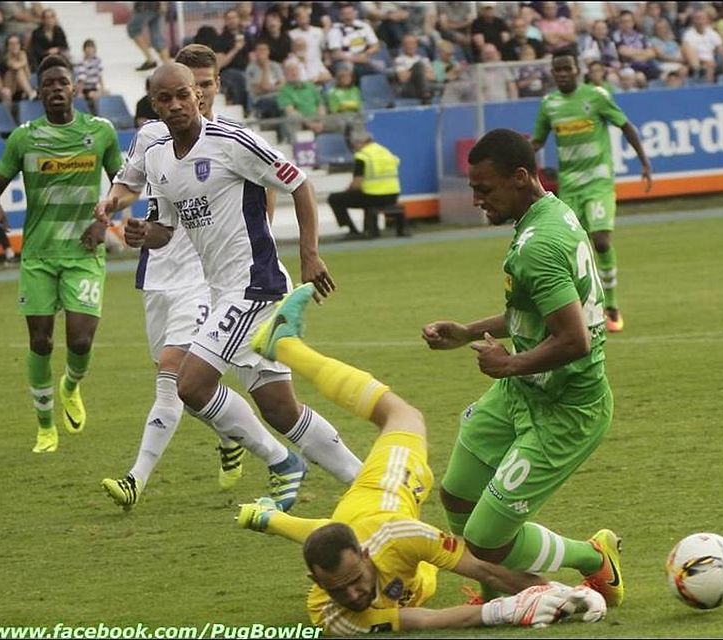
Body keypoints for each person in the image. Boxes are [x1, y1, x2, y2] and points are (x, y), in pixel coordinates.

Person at [237, 283, 610, 634]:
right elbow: (427, 620)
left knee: (402, 417)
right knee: (397, 545)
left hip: (385, 491)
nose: (352, 595)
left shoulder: (398, 538)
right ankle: (268, 515)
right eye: (339, 589)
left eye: (354, 581)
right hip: (377, 537)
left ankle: (285, 345)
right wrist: (509, 610)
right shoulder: (331, 615)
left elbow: (486, 570)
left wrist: (554, 592)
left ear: (366, 557)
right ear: (317, 584)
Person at [96, 50, 362, 510]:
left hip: (254, 287)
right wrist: (143, 234)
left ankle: (283, 464)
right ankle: (365, 481)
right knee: (281, 409)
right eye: (166, 98)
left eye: (184, 94)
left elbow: (299, 183)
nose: (177, 104)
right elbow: (165, 231)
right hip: (223, 290)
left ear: (199, 95)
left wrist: (310, 255)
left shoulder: (232, 141)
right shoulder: (158, 156)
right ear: (154, 105)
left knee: (190, 384)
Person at [421, 129, 626, 609]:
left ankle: (594, 558)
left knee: (487, 537)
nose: (475, 199)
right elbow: (534, 313)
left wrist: (508, 363)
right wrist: (470, 332)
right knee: (457, 495)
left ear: (519, 177)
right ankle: (497, 591)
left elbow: (573, 339)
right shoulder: (550, 212)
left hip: (566, 408)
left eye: (484, 189)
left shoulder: (538, 245)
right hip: (523, 392)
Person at [0, 54, 123, 454]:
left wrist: (105, 221)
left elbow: (123, 184)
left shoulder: (100, 132)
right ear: (39, 92)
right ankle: (45, 427)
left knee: (79, 340)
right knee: (41, 342)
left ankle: (71, 385)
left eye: (63, 82)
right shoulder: (23, 138)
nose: (57, 89)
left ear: (74, 88)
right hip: (39, 255)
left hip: (83, 251)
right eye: (49, 84)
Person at [532, 50, 652, 333]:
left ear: (578, 70)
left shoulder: (596, 96)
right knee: (572, 250)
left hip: (598, 183)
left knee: (600, 241)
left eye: (566, 68)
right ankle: (581, 309)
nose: (561, 73)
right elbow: (537, 141)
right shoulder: (549, 105)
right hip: (569, 187)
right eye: (557, 69)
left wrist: (644, 162)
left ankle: (612, 306)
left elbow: (625, 126)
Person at [327, 129, 401, 239]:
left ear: (359, 142)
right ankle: (369, 229)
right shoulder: (385, 152)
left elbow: (357, 184)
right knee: (363, 197)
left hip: (373, 195)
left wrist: (347, 190)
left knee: (334, 199)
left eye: (354, 144)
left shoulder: (362, 156)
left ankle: (352, 230)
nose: (354, 147)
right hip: (393, 195)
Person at [680, 10, 723, 83]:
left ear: (707, 20)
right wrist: (706, 62)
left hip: (713, 62)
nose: (700, 21)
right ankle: (709, 91)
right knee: (709, 67)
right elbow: (688, 54)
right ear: (693, 21)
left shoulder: (712, 33)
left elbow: (722, 49)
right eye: (697, 18)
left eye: (702, 18)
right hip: (698, 65)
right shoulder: (688, 35)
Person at [128, 1, 170, 71]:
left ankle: (151, 60)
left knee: (133, 29)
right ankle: (168, 65)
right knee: (157, 35)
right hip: (153, 6)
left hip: (147, 6)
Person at [75, 39, 106, 107]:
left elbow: (100, 76)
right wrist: (80, 93)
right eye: (88, 50)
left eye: (91, 49)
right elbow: (81, 79)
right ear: (84, 51)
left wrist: (103, 89)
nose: (90, 52)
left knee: (105, 93)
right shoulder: (81, 62)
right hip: (84, 89)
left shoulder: (97, 61)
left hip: (94, 87)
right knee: (93, 95)